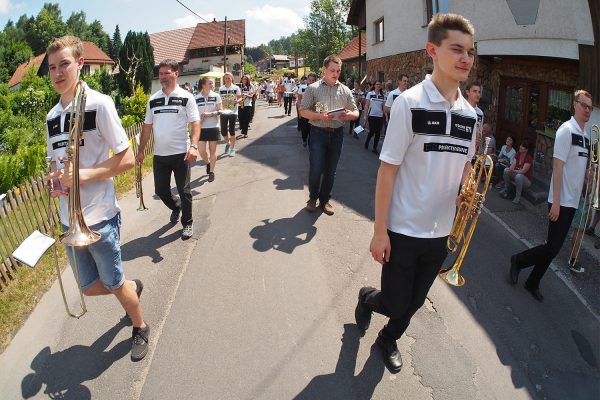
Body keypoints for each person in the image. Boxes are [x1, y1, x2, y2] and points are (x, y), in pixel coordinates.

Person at [354, 13, 478, 374]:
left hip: (441, 232)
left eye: (470, 52)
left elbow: (466, 164)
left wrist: (465, 191)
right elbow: (387, 171)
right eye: (457, 49)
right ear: (432, 51)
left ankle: (387, 339)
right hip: (403, 229)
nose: (466, 58)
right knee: (394, 301)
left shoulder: (470, 115)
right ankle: (367, 298)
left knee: (416, 302)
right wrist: (379, 232)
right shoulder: (409, 103)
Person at [44, 35, 149, 361]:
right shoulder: (51, 117)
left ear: (80, 64)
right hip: (69, 219)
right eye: (52, 67)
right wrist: (56, 183)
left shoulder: (99, 103)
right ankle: (129, 285)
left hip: (100, 216)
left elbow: (127, 159)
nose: (58, 73)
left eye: (64, 64)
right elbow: (58, 165)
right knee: (89, 286)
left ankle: (140, 326)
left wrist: (80, 177)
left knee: (114, 283)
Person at [509, 90, 593, 302]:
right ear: (575, 104)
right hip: (560, 201)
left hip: (573, 202)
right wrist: (555, 202)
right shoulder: (567, 130)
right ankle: (518, 260)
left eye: (590, 107)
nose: (588, 110)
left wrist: (587, 179)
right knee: (552, 247)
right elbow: (558, 166)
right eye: (584, 105)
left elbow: (576, 169)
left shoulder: (585, 137)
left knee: (553, 249)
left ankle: (533, 281)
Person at [137, 59, 200, 239]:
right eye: (161, 73)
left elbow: (195, 123)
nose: (162, 76)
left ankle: (187, 223)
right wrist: (141, 150)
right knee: (161, 191)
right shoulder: (153, 100)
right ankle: (176, 206)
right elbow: (147, 127)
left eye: (166, 73)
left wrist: (194, 146)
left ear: (176, 74)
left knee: (184, 190)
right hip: (160, 155)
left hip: (182, 152)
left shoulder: (187, 97)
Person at [300, 55, 359, 216]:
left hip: (337, 135)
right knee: (316, 169)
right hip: (318, 133)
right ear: (324, 70)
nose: (336, 73)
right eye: (332, 70)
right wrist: (320, 116)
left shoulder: (345, 90)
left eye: (338, 70)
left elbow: (356, 111)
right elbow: (303, 111)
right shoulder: (313, 88)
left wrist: (349, 115)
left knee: (330, 170)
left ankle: (325, 200)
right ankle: (313, 198)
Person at [195, 77, 222, 183]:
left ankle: (211, 172)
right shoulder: (196, 98)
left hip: (213, 126)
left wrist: (210, 114)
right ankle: (207, 163)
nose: (212, 85)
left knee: (212, 150)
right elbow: (193, 114)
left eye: (212, 83)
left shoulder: (216, 96)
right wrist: (198, 120)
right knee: (201, 151)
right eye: (210, 83)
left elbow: (221, 110)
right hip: (201, 128)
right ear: (203, 85)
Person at [218, 72, 242, 157]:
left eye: (229, 78)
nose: (227, 79)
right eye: (226, 78)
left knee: (232, 131)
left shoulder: (236, 88)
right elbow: (219, 100)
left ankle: (232, 149)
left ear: (232, 78)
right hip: (224, 111)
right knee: (224, 132)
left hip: (233, 112)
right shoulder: (221, 88)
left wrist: (237, 101)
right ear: (224, 79)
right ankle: (228, 143)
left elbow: (240, 98)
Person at [364, 81, 387, 154]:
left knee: (378, 133)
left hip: (379, 116)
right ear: (374, 85)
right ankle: (367, 141)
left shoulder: (382, 95)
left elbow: (383, 107)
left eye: (380, 84)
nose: (378, 85)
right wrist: (365, 115)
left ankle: (374, 148)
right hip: (371, 115)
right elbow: (366, 105)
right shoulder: (370, 94)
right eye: (377, 84)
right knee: (372, 130)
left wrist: (386, 116)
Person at [297, 73, 317, 147]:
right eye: (310, 80)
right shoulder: (302, 87)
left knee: (313, 129)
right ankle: (304, 139)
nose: (311, 82)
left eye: (313, 80)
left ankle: (310, 142)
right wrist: (299, 112)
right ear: (307, 80)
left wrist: (319, 112)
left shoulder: (318, 89)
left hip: (314, 112)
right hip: (305, 112)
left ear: (315, 80)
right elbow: (299, 100)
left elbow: (319, 101)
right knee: (305, 129)